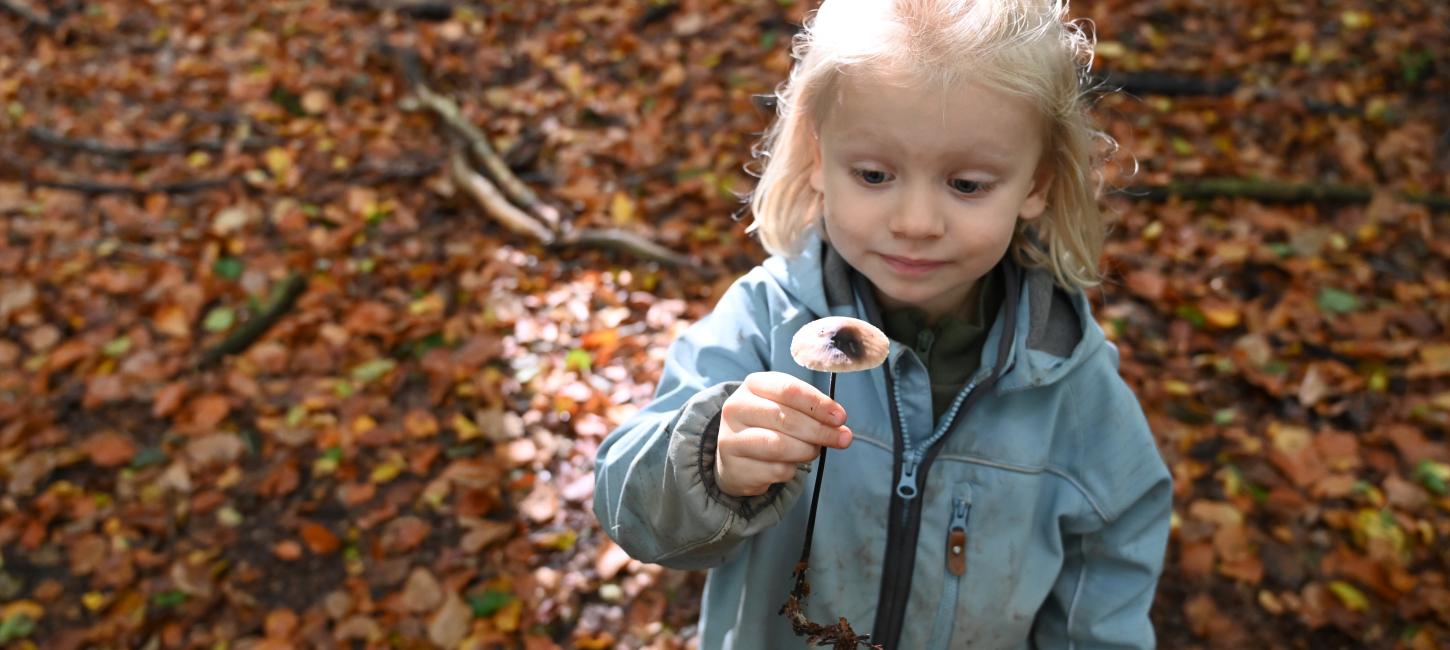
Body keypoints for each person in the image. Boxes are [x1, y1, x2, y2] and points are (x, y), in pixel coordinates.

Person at [593, 0, 1172, 647]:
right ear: (818, 155)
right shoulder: (764, 325)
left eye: (968, 184)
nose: (916, 221)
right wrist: (711, 460)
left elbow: (1106, 596)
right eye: (874, 174)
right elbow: (632, 511)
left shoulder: (1074, 393)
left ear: (1035, 183)